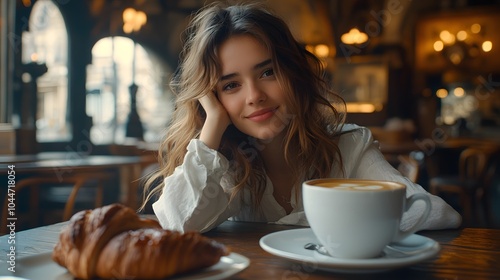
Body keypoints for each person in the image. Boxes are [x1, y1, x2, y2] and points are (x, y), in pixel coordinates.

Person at [141, 2, 462, 233]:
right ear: (213, 98)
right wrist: (211, 125)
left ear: (293, 74)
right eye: (231, 85)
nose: (254, 95)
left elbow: (438, 215)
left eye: (267, 72)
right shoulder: (221, 167)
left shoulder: (349, 145)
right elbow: (178, 223)